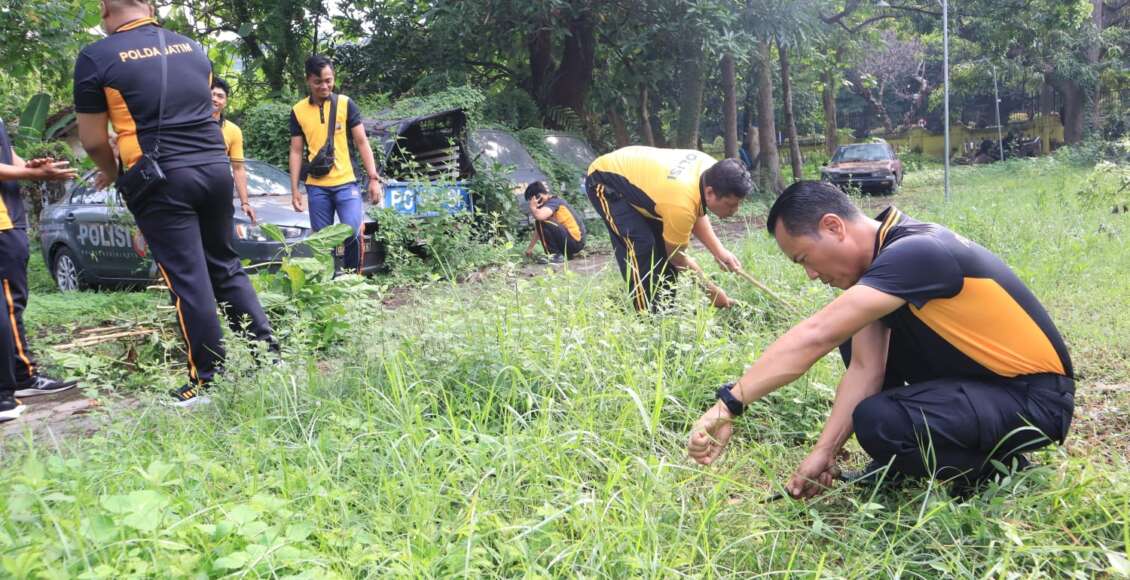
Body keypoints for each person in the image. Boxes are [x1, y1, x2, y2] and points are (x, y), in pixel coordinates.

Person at [688, 181, 1074, 498]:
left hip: (1036, 401)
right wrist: (824, 452)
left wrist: (729, 404)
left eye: (804, 259)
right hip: (987, 386)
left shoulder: (916, 251)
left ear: (833, 227)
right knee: (854, 339)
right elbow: (865, 368)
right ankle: (901, 463)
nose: (811, 275)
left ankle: (996, 470)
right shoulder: (883, 260)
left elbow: (816, 335)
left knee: (879, 421)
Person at [75, 0, 276, 407]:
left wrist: (113, 172)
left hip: (162, 178)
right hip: (214, 167)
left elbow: (93, 141)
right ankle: (269, 359)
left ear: (104, 8)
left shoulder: (96, 57)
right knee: (225, 265)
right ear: (148, 4)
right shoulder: (192, 47)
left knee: (188, 278)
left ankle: (207, 381)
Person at [585, 146, 751, 311]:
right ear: (710, 192)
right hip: (604, 180)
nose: (734, 211)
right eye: (730, 204)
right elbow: (677, 258)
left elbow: (695, 209)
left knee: (663, 248)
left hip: (646, 182)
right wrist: (712, 292)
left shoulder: (712, 171)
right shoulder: (680, 204)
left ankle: (665, 310)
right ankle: (647, 318)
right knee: (642, 245)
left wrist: (720, 252)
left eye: (738, 204)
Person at [0, 120, 80, 422]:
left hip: (11, 218)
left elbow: (7, 154)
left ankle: (22, 375)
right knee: (6, 306)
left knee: (13, 304)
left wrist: (30, 166)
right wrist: (32, 174)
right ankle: (5, 394)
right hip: (2, 223)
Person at [288, 55, 382, 273]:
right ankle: (325, 284)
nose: (324, 86)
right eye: (318, 82)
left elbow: (362, 141)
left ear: (334, 78)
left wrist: (373, 178)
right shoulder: (298, 111)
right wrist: (294, 190)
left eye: (328, 80)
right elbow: (296, 151)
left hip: (346, 182)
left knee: (352, 231)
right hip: (316, 186)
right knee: (321, 242)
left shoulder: (345, 104)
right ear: (308, 80)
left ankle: (352, 280)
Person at [211, 77, 256, 224]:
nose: (214, 99)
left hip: (218, 193)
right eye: (212, 94)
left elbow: (238, 168)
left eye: (220, 96)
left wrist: (245, 202)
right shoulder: (190, 123)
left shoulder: (233, 130)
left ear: (225, 102)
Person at [523, 181, 586, 263]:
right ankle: (563, 255)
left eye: (531, 200)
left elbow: (540, 217)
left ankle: (554, 255)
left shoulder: (553, 202)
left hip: (575, 241)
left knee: (540, 221)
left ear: (538, 197)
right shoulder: (551, 203)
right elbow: (539, 230)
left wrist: (533, 208)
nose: (531, 203)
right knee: (540, 222)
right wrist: (530, 248)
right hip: (573, 242)